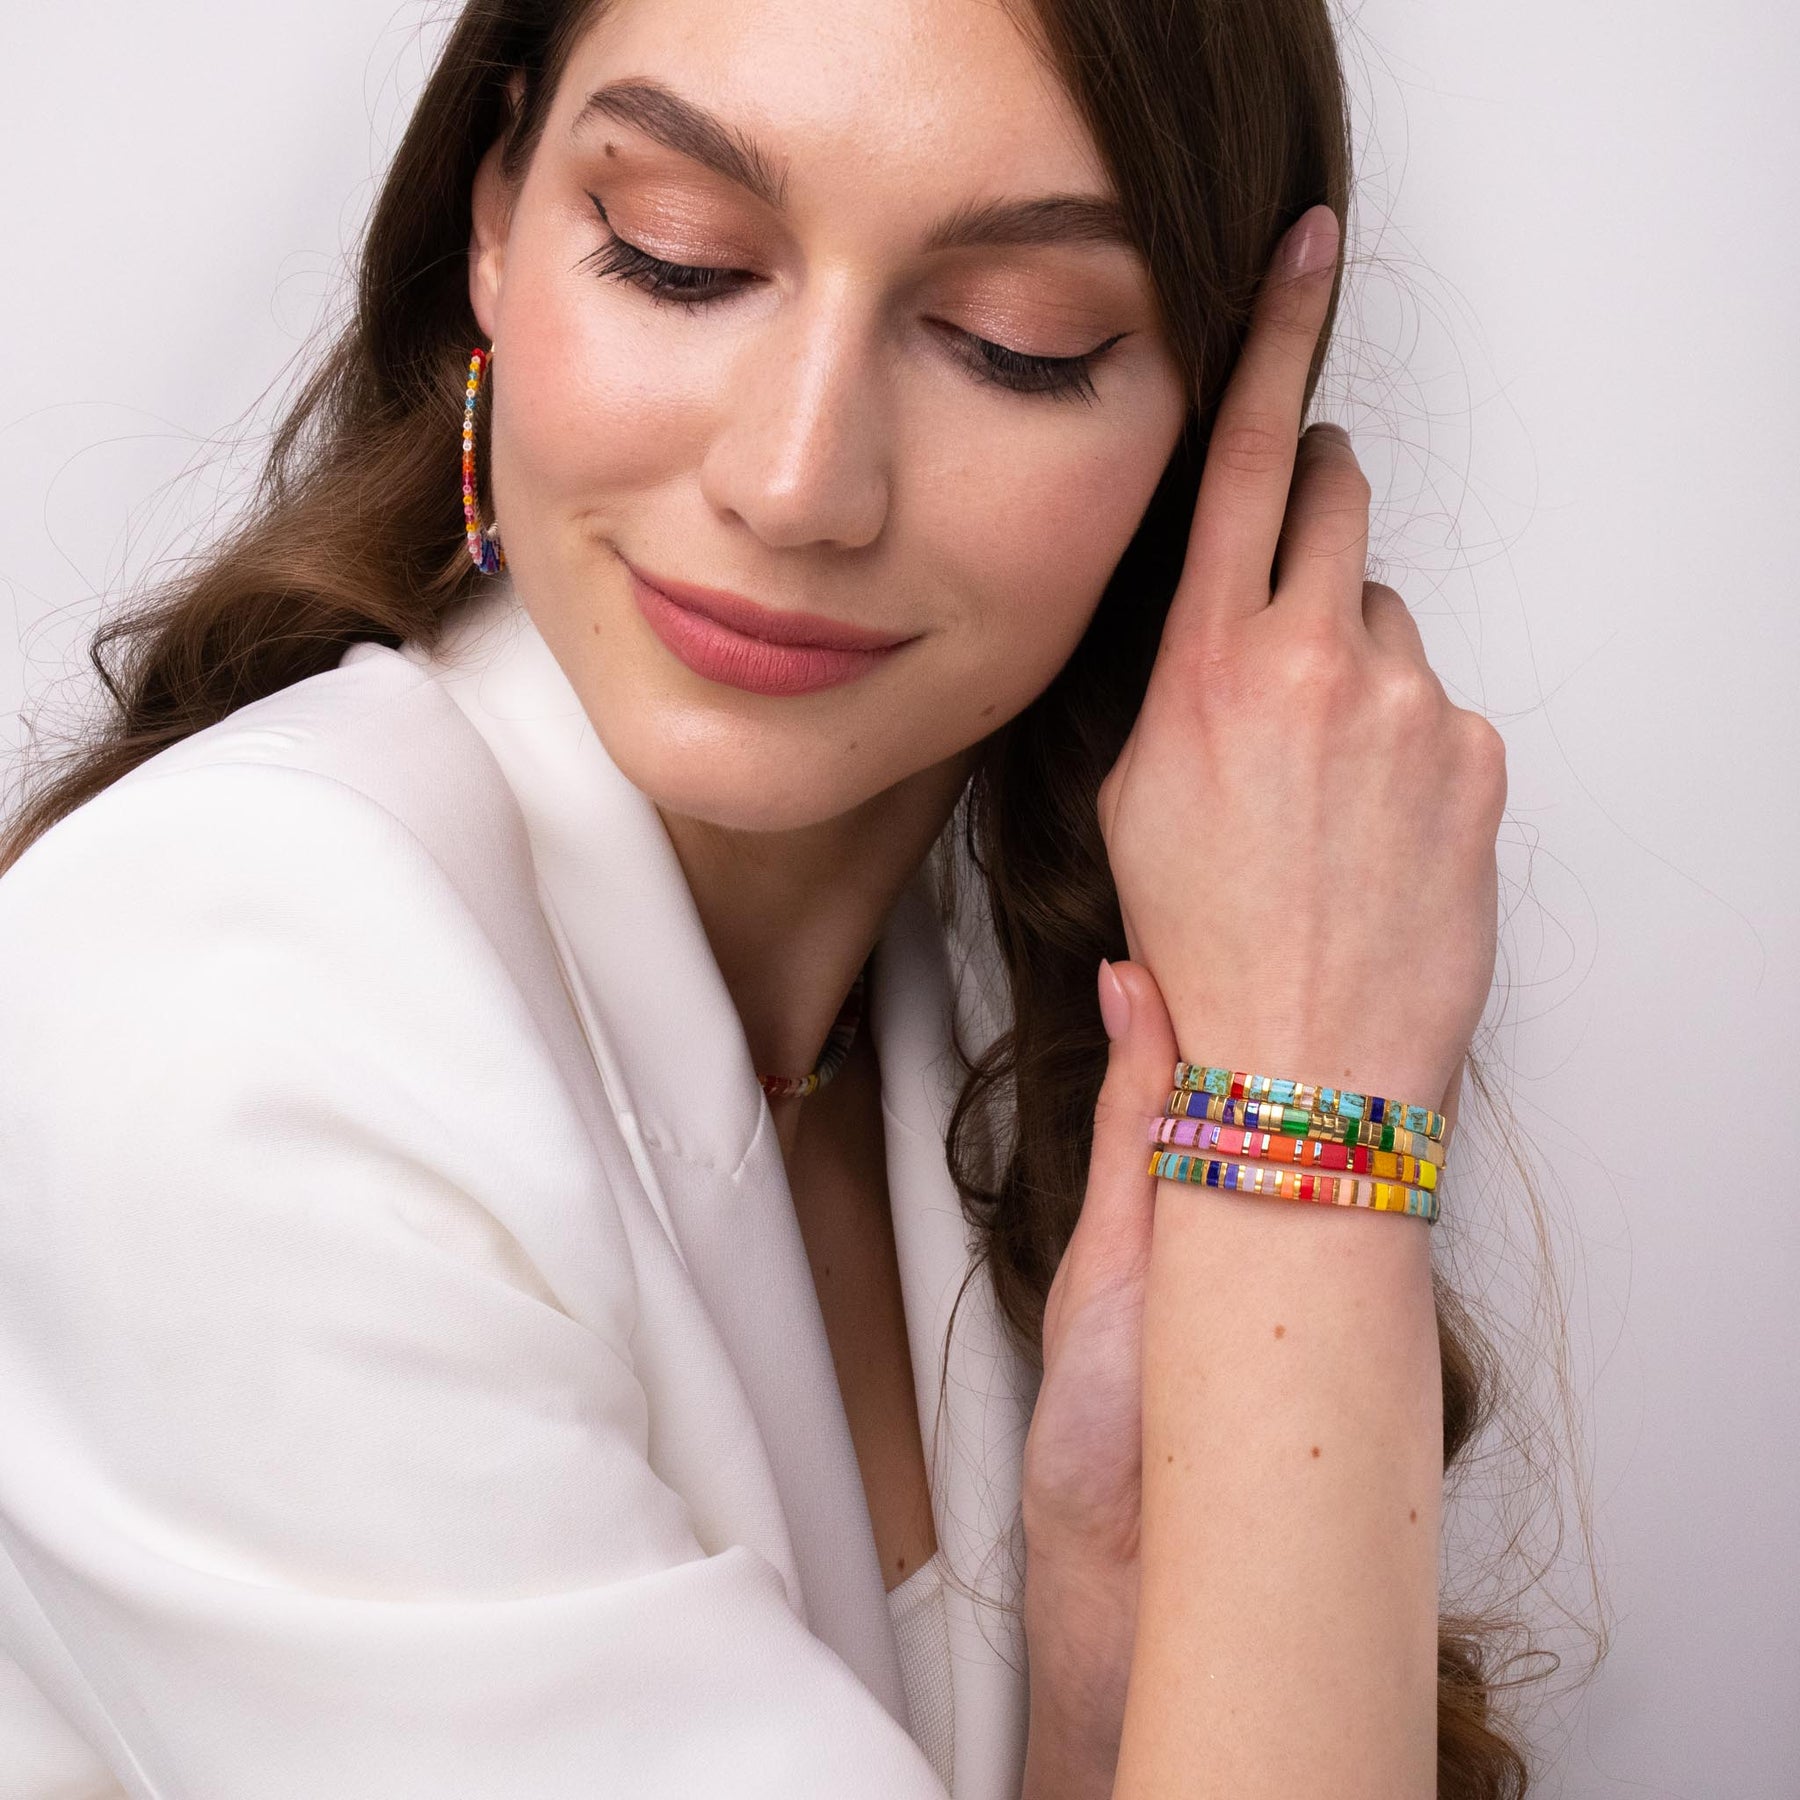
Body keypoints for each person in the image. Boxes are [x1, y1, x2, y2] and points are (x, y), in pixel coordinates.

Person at [0, 0, 1529, 1795]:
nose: (799, 484)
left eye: (1015, 343)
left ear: (1202, 418)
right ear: (494, 218)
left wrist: (1101, 1677)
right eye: (680, 258)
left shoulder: (982, 1013)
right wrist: (1318, 1127)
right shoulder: (224, 1008)